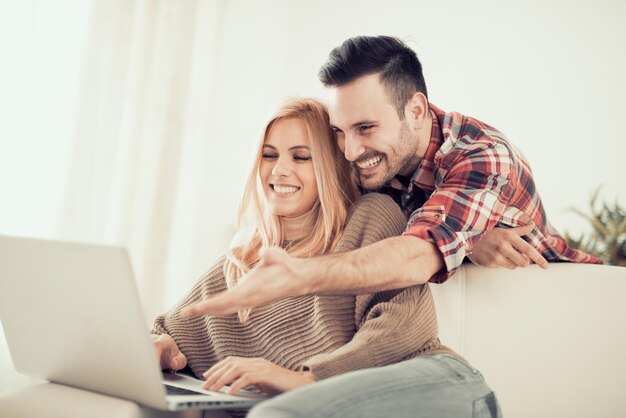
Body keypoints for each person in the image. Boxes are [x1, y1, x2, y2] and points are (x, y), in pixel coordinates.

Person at [181, 36, 602, 418]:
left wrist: (302, 276)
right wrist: (470, 238)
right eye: (339, 133)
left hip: (555, 299)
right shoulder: (374, 172)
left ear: (416, 111)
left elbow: (418, 255)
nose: (348, 150)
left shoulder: (482, 155)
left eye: (365, 128)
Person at [152, 98, 496, 417]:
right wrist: (166, 347)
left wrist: (303, 379)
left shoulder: (370, 216)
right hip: (326, 404)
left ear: (331, 165)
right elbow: (179, 329)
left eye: (301, 157)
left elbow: (402, 331)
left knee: (275, 414)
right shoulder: (246, 257)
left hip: (435, 386)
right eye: (269, 155)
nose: (279, 171)